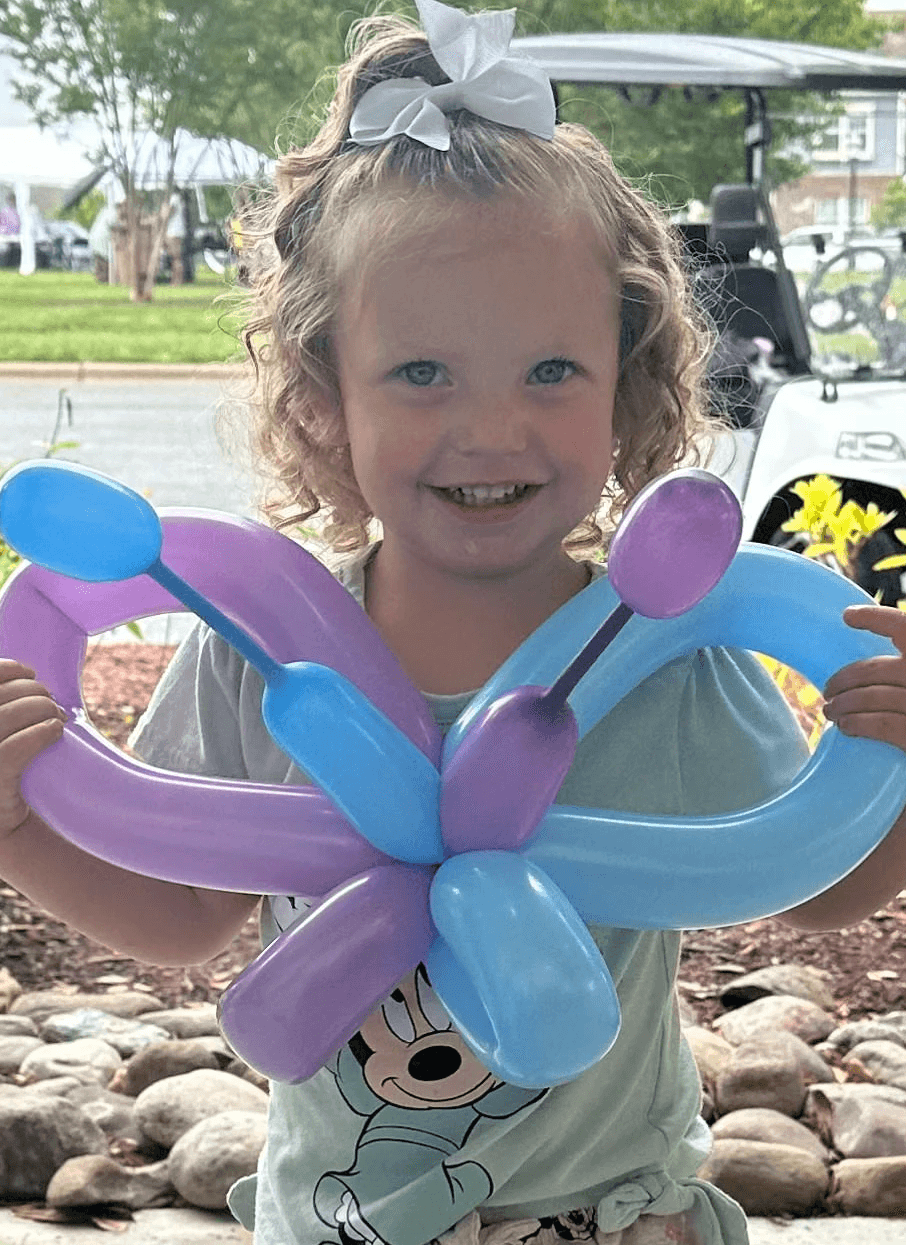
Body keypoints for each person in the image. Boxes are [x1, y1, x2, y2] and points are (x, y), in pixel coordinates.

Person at [2, 2, 906, 1242]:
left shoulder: (678, 662)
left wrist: (895, 770)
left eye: (550, 371)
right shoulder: (252, 646)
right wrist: (17, 826)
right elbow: (187, 915)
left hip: (622, 1220)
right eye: (423, 373)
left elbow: (817, 890)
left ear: (626, 377)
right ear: (326, 397)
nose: (492, 428)